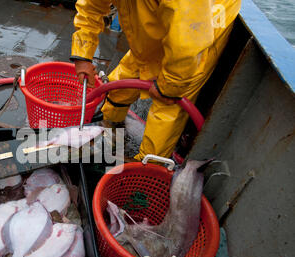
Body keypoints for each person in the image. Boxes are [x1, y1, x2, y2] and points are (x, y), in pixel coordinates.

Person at [70, 0, 241, 160]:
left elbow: (188, 46)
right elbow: (90, 7)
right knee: (122, 84)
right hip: (161, 23)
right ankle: (110, 127)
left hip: (200, 30)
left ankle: (147, 167)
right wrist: (83, 55)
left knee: (167, 107)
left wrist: (169, 86)